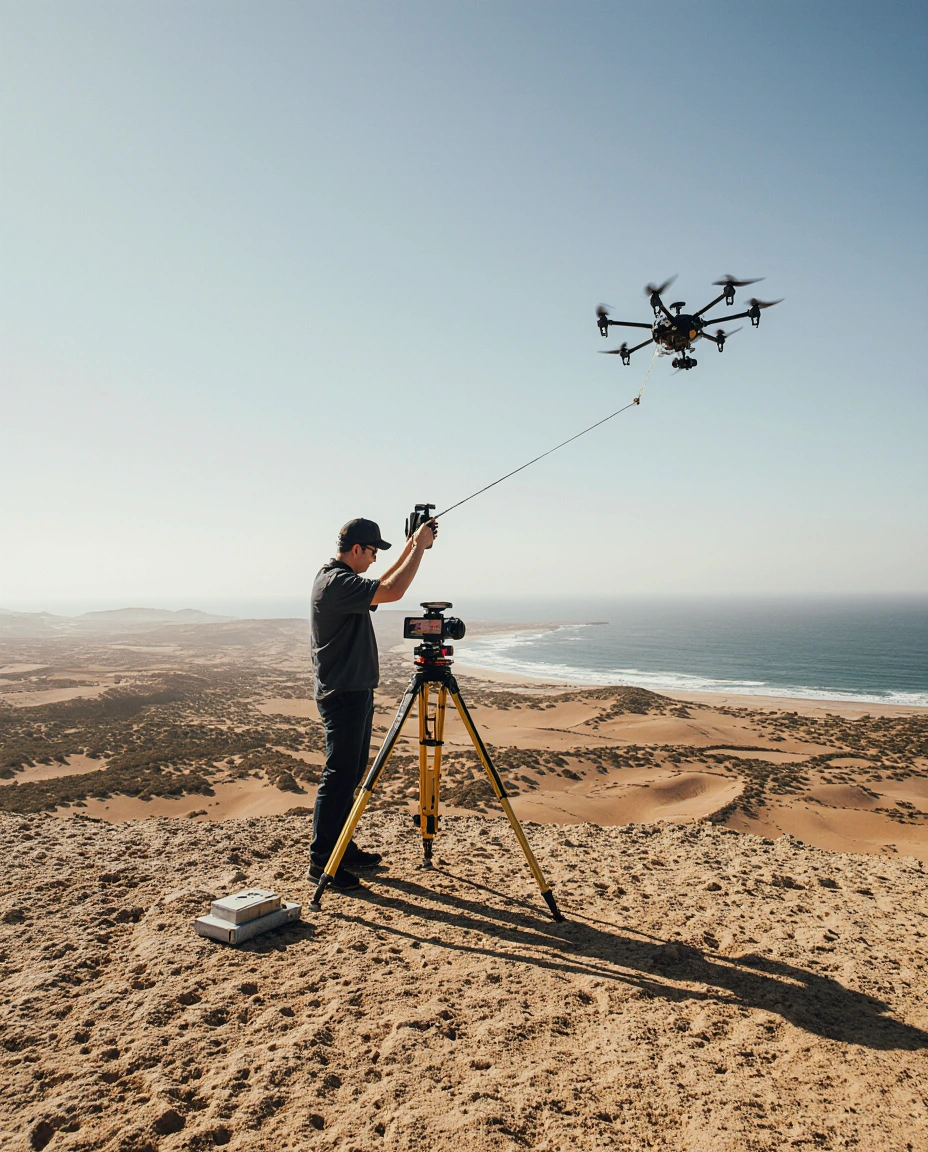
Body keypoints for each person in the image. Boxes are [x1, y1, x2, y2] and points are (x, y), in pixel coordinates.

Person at [308, 514, 438, 889]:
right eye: (373, 551)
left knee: (348, 775)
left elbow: (382, 584)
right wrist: (419, 549)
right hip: (344, 694)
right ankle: (322, 862)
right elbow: (392, 591)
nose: (375, 559)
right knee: (339, 776)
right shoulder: (335, 583)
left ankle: (341, 848)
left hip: (354, 690)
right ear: (356, 549)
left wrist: (415, 545)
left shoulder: (338, 579)